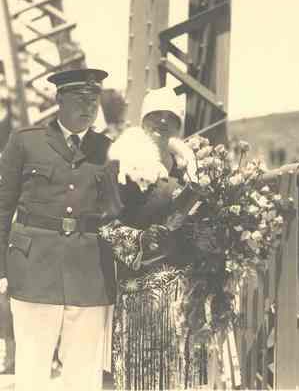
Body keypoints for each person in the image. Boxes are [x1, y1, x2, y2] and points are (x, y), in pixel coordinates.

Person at [0, 68, 117, 391]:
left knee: (84, 373)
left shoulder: (108, 149)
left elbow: (119, 211)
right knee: (33, 370)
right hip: (34, 268)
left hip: (88, 272)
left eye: (93, 100)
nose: (88, 107)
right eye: (80, 99)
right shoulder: (26, 142)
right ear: (59, 100)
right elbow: (2, 207)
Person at [99, 87, 204, 390]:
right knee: (140, 377)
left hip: (185, 292)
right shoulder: (123, 165)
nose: (163, 121)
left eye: (171, 116)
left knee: (181, 376)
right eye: (155, 115)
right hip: (141, 291)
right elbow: (105, 225)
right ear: (143, 120)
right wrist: (143, 240)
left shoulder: (189, 167)